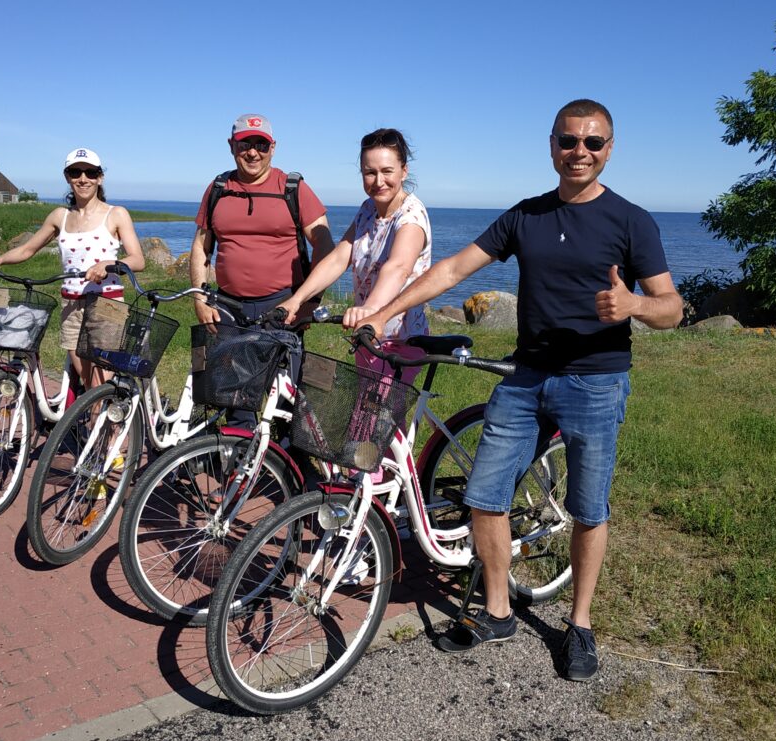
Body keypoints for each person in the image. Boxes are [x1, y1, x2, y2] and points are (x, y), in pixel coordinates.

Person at [362, 99, 683, 681]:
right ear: (552, 145)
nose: (579, 152)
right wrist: (384, 310)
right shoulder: (526, 216)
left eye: (592, 143)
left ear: (609, 150)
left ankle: (580, 625)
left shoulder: (633, 222)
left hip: (595, 382)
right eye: (568, 141)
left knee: (588, 509)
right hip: (525, 377)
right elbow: (453, 270)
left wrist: (635, 305)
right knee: (485, 497)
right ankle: (497, 610)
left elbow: (673, 309)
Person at [0, 147, 145, 390]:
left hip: (107, 304)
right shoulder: (60, 216)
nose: (83, 179)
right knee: (88, 384)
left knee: (100, 385)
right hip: (71, 304)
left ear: (100, 177)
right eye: (76, 172)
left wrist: (109, 265)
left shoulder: (116, 214)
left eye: (90, 172)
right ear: (67, 177)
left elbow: (138, 259)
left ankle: (104, 427)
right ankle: (89, 425)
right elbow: (27, 249)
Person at [278, 128, 430, 381]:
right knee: (365, 416)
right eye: (370, 172)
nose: (378, 181)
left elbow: (398, 267)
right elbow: (339, 258)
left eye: (387, 171)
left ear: (404, 171)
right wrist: (298, 300)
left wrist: (370, 308)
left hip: (399, 340)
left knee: (375, 420)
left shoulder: (411, 218)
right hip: (368, 335)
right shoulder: (368, 209)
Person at [189, 114, 333, 328]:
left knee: (278, 362)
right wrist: (200, 299)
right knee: (225, 362)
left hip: (281, 306)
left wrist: (308, 301)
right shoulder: (218, 188)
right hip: (226, 306)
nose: (253, 153)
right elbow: (201, 246)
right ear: (231, 145)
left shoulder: (293, 189)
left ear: (273, 147)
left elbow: (325, 246)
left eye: (262, 145)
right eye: (245, 144)